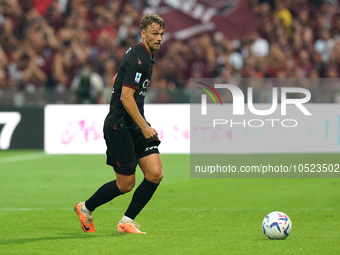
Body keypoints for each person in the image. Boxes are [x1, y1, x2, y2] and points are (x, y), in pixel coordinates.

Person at [74, 14, 165, 234]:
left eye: (162, 34)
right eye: (155, 33)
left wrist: (119, 83)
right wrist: (144, 127)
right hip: (120, 127)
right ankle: (85, 208)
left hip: (134, 123)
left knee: (155, 174)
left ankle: (126, 221)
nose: (159, 38)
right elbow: (126, 97)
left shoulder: (142, 55)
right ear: (143, 33)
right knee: (126, 184)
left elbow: (117, 80)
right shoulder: (139, 58)